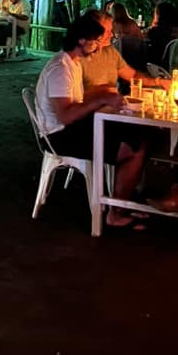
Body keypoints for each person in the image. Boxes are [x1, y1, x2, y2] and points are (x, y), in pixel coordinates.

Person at [34, 13, 148, 229]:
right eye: (95, 41)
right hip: (59, 136)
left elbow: (76, 100)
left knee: (134, 135)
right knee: (133, 146)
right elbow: (66, 115)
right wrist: (101, 98)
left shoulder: (73, 63)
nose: (97, 47)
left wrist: (102, 93)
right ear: (81, 40)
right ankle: (116, 212)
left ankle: (121, 202)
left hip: (70, 128)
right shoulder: (60, 69)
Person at [82, 11, 170, 95]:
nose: (111, 35)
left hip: (112, 103)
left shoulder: (109, 51)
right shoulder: (79, 58)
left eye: (111, 30)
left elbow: (133, 75)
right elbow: (77, 98)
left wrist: (159, 81)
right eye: (107, 31)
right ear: (93, 32)